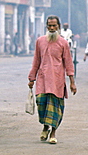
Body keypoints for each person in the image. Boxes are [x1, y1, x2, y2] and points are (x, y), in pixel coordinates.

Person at [28, 15, 77, 144]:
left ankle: (53, 133)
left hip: (57, 80)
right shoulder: (40, 41)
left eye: (54, 25)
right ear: (46, 26)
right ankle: (45, 127)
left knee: (55, 106)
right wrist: (31, 78)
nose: (52, 28)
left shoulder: (63, 43)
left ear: (58, 27)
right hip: (42, 79)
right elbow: (36, 61)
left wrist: (72, 82)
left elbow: (68, 63)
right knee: (41, 102)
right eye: (49, 26)